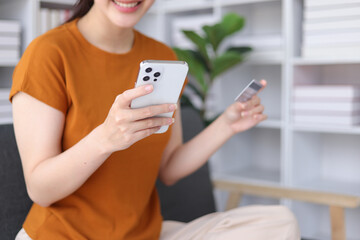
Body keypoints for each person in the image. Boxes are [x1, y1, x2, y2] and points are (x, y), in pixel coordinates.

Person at [10, 0, 300, 239]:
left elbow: (169, 168)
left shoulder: (161, 56)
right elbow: (40, 190)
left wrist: (226, 125)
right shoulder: (48, 53)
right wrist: (105, 139)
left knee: (280, 223)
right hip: (62, 235)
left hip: (144, 234)